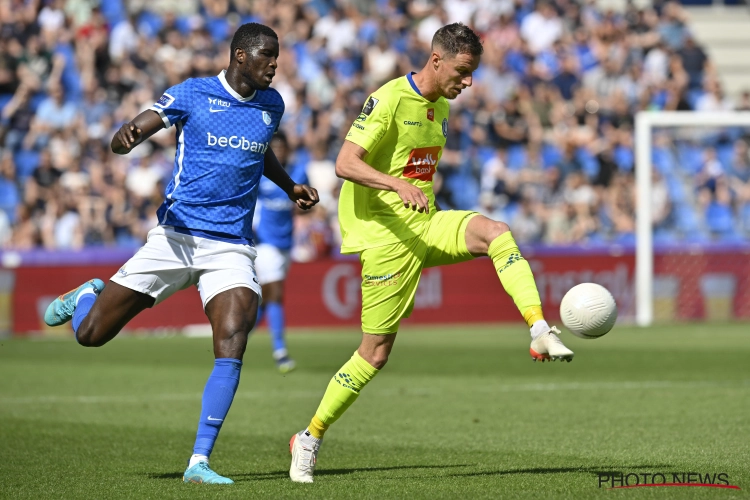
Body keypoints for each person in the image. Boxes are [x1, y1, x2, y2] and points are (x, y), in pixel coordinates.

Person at [287, 23, 573, 484]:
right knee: (375, 354)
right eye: (463, 71)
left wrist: (411, 187)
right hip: (386, 239)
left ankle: (539, 328)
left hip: (426, 224)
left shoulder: (440, 106)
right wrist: (396, 183)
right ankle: (310, 436)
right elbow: (345, 163)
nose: (469, 82)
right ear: (436, 60)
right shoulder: (389, 100)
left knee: (496, 232)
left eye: (473, 73)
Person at [42, 23, 319, 485]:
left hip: (230, 245)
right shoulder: (193, 93)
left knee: (235, 332)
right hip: (176, 237)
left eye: (278, 55)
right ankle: (89, 294)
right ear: (239, 56)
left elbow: (258, 152)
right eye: (267, 55)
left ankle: (199, 462)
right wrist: (126, 137)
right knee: (90, 336)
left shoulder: (273, 105)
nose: (276, 63)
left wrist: (289, 186)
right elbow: (136, 127)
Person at [253, 130, 307, 373]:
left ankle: (235, 339)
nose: (280, 151)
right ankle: (280, 352)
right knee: (275, 293)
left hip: (286, 243)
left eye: (283, 147)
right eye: (275, 148)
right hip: (264, 242)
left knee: (265, 300)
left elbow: (302, 205)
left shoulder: (297, 173)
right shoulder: (261, 173)